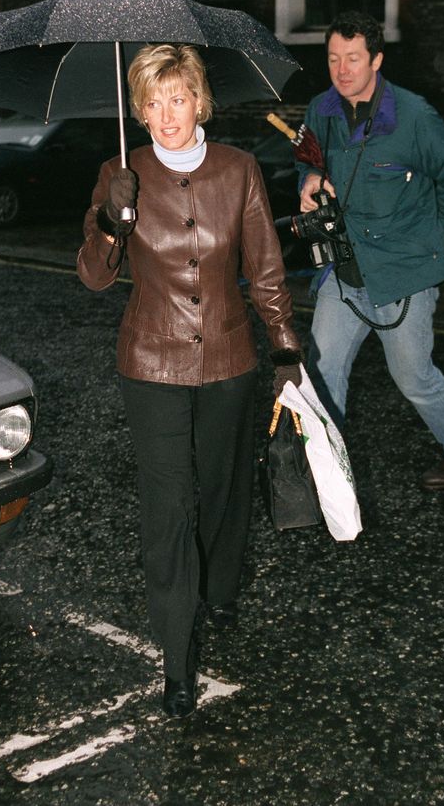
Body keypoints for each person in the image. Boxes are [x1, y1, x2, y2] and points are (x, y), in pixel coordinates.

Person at [77, 43, 302, 719]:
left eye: (176, 97)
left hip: (229, 363)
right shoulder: (121, 173)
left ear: (198, 100)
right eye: (151, 101)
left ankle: (223, 584)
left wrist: (285, 348)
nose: (165, 114)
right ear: (138, 111)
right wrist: (108, 222)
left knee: (222, 488)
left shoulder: (238, 170)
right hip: (150, 364)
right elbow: (93, 276)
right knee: (168, 510)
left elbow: (264, 269)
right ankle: (177, 661)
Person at [297, 10, 444, 491]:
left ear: (377, 59)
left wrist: (435, 252)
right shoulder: (320, 109)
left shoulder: (416, 117)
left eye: (354, 59)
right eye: (334, 58)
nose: (342, 70)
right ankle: (326, 470)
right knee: (322, 372)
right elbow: (307, 159)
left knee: (413, 377)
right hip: (343, 268)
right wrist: (311, 179)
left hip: (404, 274)